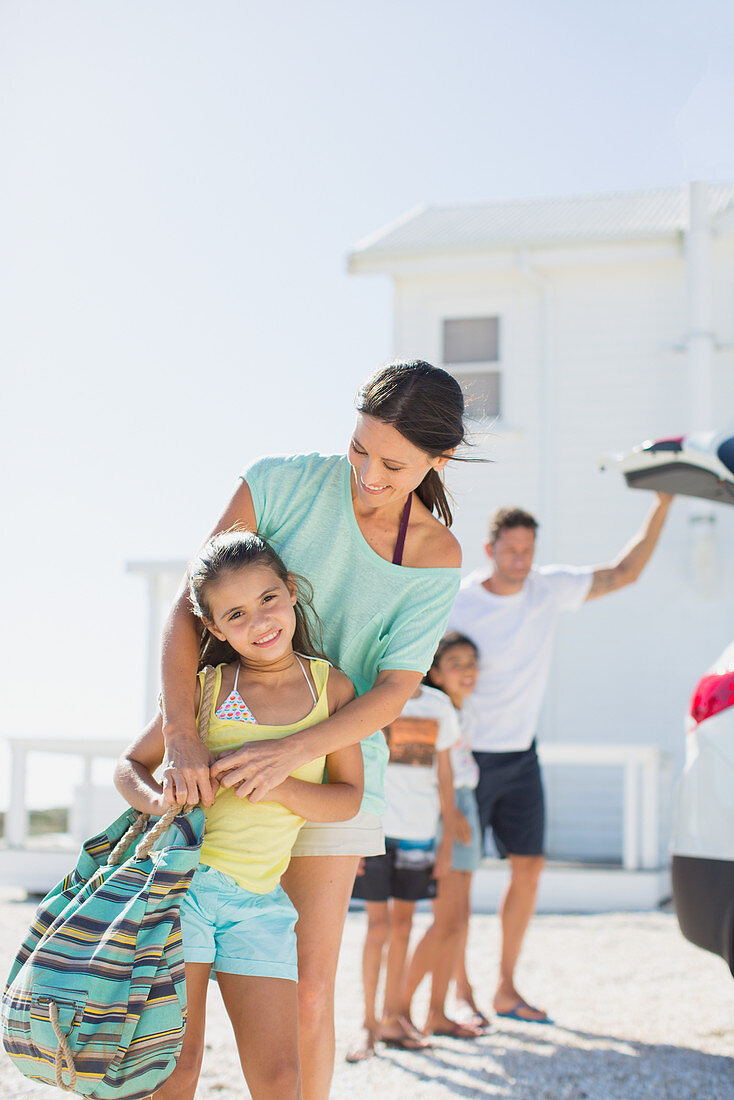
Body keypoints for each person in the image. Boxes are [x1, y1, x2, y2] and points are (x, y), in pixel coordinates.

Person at [156, 360, 467, 1099]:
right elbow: (187, 607)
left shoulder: (436, 555)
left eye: (394, 464)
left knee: (307, 990)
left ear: (438, 460)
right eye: (360, 449)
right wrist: (179, 732)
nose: (367, 474)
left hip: (338, 777)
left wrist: (294, 752)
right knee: (175, 1005)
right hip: (223, 762)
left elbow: (396, 687)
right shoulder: (280, 482)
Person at [114, 532, 363, 1100]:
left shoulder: (333, 689)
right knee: (177, 1066)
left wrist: (279, 783)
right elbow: (131, 764)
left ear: (291, 591)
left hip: (260, 902)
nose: (260, 621)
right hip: (186, 893)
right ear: (215, 629)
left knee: (280, 1078)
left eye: (269, 599)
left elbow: (347, 797)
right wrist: (161, 801)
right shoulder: (208, 690)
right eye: (237, 614)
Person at [448, 493, 674, 1024]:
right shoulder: (458, 602)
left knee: (529, 868)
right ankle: (459, 990)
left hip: (522, 756)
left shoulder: (547, 589)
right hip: (467, 760)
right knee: (458, 878)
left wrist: (663, 503)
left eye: (528, 551)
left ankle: (506, 987)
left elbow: (624, 573)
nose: (520, 561)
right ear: (490, 549)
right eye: (510, 552)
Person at [347, 678, 458, 1060]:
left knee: (404, 927)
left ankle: (393, 1018)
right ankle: (367, 1024)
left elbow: (446, 775)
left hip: (419, 833)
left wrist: (446, 841)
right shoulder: (369, 694)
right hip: (375, 830)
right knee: (377, 928)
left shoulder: (439, 706)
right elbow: (354, 762)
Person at [400, 631, 488, 1038]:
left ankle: (437, 1013)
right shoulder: (431, 710)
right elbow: (429, 773)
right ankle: (399, 1008)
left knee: (458, 920)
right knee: (446, 920)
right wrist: (450, 816)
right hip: (445, 812)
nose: (466, 670)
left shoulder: (463, 710)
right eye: (455, 663)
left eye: (472, 662)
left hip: (465, 805)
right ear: (434, 671)